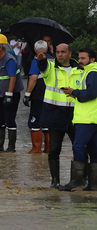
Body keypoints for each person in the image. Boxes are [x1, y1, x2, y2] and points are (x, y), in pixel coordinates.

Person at [37, 43, 83, 188]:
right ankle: (55, 181)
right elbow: (43, 69)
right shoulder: (51, 67)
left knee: (80, 148)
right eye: (57, 52)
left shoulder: (80, 69)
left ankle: (80, 179)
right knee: (54, 148)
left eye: (63, 52)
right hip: (54, 112)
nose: (60, 55)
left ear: (70, 54)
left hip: (75, 114)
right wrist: (41, 60)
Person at [59, 47, 97, 191]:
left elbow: (92, 93)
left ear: (92, 60)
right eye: (79, 58)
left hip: (87, 118)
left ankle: (77, 181)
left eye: (83, 58)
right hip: (92, 117)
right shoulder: (89, 72)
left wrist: (74, 92)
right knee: (94, 150)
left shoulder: (92, 72)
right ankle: (93, 185)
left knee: (78, 147)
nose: (80, 61)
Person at [0, 34, 24, 153]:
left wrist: (9, 95)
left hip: (10, 95)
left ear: (0, 47)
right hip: (0, 94)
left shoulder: (9, 60)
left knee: (9, 119)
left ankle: (11, 147)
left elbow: (12, 78)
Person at [23, 36, 54, 153]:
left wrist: (27, 94)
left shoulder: (36, 61)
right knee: (48, 123)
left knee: (35, 122)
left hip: (38, 96)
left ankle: (36, 149)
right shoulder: (54, 60)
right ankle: (48, 149)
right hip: (51, 96)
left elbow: (33, 78)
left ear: (35, 50)